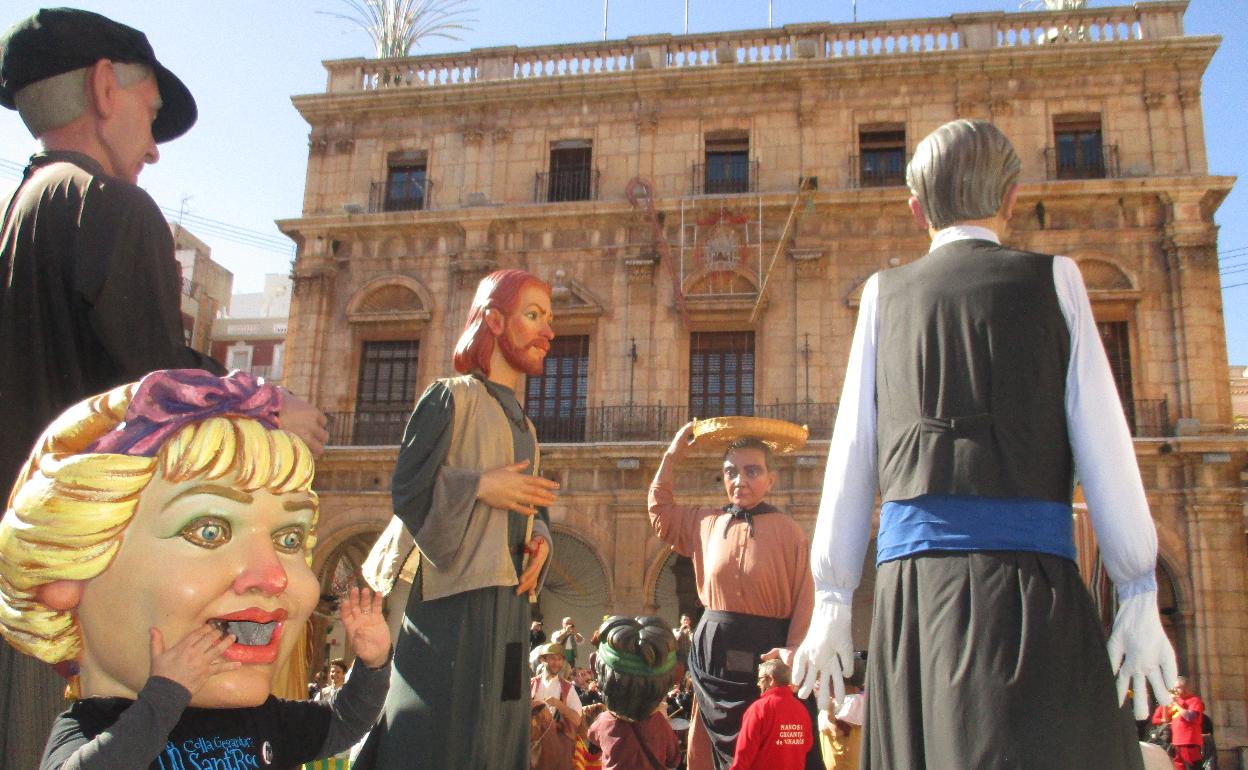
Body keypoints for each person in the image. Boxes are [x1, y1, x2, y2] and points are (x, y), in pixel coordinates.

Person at [791, 118, 1177, 770]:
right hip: (1033, 584)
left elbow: (852, 449)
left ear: (916, 210)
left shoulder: (883, 293)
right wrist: (1138, 590)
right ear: (1012, 199)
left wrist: (832, 600)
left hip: (918, 596)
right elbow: (1104, 439)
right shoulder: (1057, 279)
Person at [0, 12, 329, 766]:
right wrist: (267, 406)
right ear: (105, 86)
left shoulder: (18, 215)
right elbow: (157, 391)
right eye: (151, 115)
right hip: (75, 602)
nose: (152, 149)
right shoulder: (108, 206)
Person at [0, 369, 390, 769]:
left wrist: (373, 664)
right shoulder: (93, 729)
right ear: (66, 574)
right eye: (208, 530)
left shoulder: (260, 720)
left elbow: (343, 723)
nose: (275, 577)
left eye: (289, 539)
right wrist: (166, 695)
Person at [355, 268, 561, 770]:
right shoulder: (450, 397)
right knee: (444, 734)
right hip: (453, 602)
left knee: (499, 732)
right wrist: (480, 486)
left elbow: (533, 506)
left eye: (549, 319)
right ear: (493, 319)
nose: (548, 332)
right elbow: (408, 489)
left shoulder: (527, 427)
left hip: (511, 605)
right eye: (533, 316)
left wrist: (543, 542)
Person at [650, 426, 815, 770]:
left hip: (766, 654)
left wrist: (795, 649)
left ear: (771, 479)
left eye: (751, 471)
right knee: (705, 749)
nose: (739, 480)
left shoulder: (790, 532)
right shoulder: (704, 521)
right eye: (730, 472)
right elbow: (660, 512)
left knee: (769, 746)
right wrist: (672, 455)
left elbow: (805, 596)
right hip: (714, 657)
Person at [587, 615, 682, 770]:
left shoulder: (604, 721)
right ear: (676, 675)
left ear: (593, 665)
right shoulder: (659, 723)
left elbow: (592, 741)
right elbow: (674, 759)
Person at [729, 659, 812, 770]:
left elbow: (745, 750)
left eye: (760, 679)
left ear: (771, 679)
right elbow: (807, 744)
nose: (758, 684)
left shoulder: (759, 708)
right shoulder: (801, 709)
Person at [531, 642, 583, 770]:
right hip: (532, 740)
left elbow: (577, 719)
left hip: (558, 740)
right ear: (543, 660)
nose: (557, 663)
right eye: (553, 658)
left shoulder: (567, 687)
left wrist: (559, 704)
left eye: (560, 659)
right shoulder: (531, 684)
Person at [1151, 677, 1204, 770]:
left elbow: (1190, 717)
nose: (1175, 691)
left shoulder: (1194, 700)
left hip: (1189, 742)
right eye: (1174, 688)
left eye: (1178, 688)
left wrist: (1176, 703)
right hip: (1176, 743)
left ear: (1186, 688)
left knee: (1193, 767)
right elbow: (1166, 719)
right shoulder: (1176, 702)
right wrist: (1166, 704)